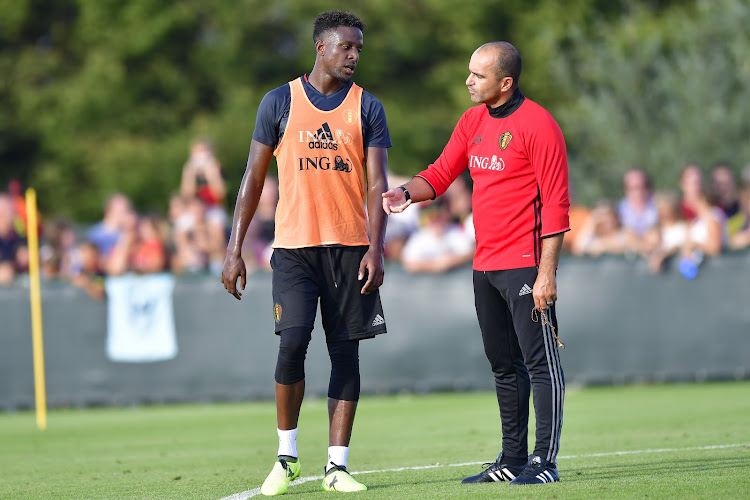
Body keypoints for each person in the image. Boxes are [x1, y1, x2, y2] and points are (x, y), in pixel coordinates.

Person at [220, 10, 391, 495]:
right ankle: (287, 457)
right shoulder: (279, 102)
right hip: (294, 250)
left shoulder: (369, 108)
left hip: (351, 249)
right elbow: (253, 180)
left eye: (359, 47)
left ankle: (337, 466)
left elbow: (378, 183)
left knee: (345, 353)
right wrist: (234, 250)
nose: (355, 55)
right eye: (347, 47)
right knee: (292, 342)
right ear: (321, 47)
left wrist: (376, 249)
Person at [383, 41, 568, 486]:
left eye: (477, 75)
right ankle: (512, 458)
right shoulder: (472, 121)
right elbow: (443, 171)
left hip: (525, 265)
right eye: (469, 72)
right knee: (503, 365)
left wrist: (546, 273)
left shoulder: (539, 124)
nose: (468, 81)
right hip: (484, 265)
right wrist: (406, 193)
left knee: (540, 364)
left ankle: (545, 462)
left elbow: (558, 208)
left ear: (505, 83)